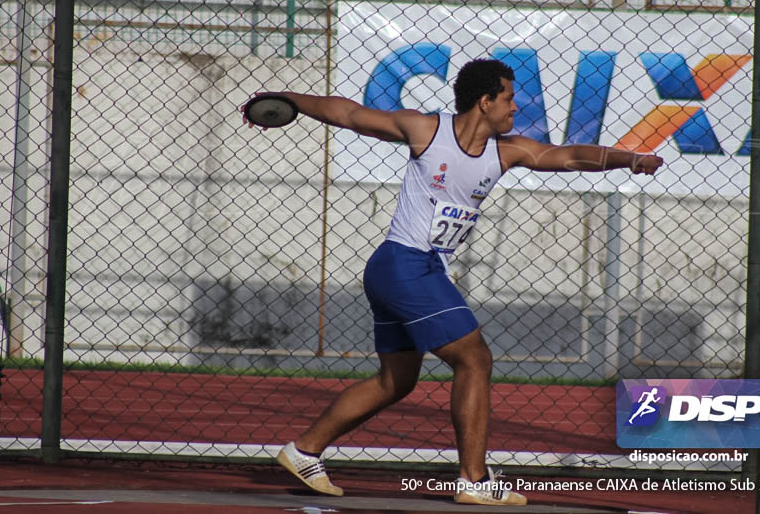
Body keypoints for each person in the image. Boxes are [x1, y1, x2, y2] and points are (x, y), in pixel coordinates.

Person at [249, 58, 663, 505]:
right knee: (474, 360)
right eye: (508, 98)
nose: (515, 107)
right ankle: (473, 478)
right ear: (485, 102)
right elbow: (349, 114)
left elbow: (568, 156)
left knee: (396, 381)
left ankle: (304, 450)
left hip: (401, 270)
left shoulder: (506, 150)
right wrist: (291, 100)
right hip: (406, 264)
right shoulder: (426, 131)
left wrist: (629, 160)